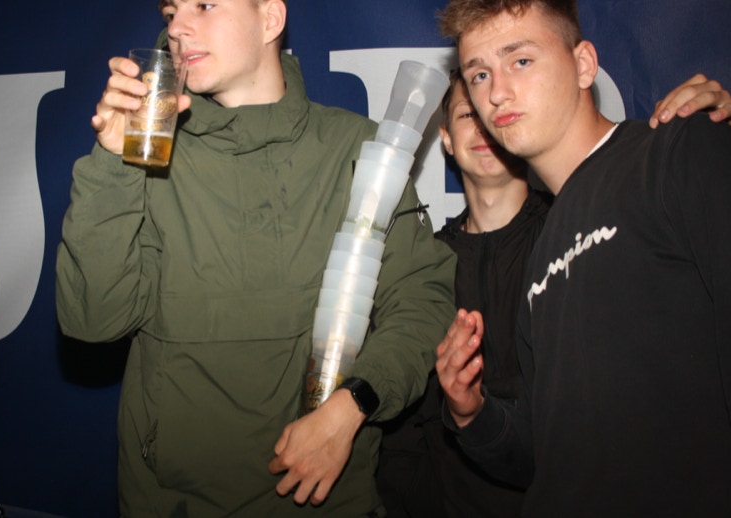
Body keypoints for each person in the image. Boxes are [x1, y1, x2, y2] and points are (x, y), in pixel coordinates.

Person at [55, 0, 456, 516]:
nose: (178, 27)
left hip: (325, 502)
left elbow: (422, 301)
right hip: (175, 503)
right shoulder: (147, 153)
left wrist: (355, 403)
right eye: (172, 12)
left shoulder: (354, 148)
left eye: (204, 5)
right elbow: (92, 321)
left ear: (270, 19)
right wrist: (115, 160)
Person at [376, 65, 731, 516]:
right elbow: (407, 434)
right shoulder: (427, 264)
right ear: (445, 138)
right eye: (468, 115)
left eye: (491, 116)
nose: (484, 127)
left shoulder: (580, 237)